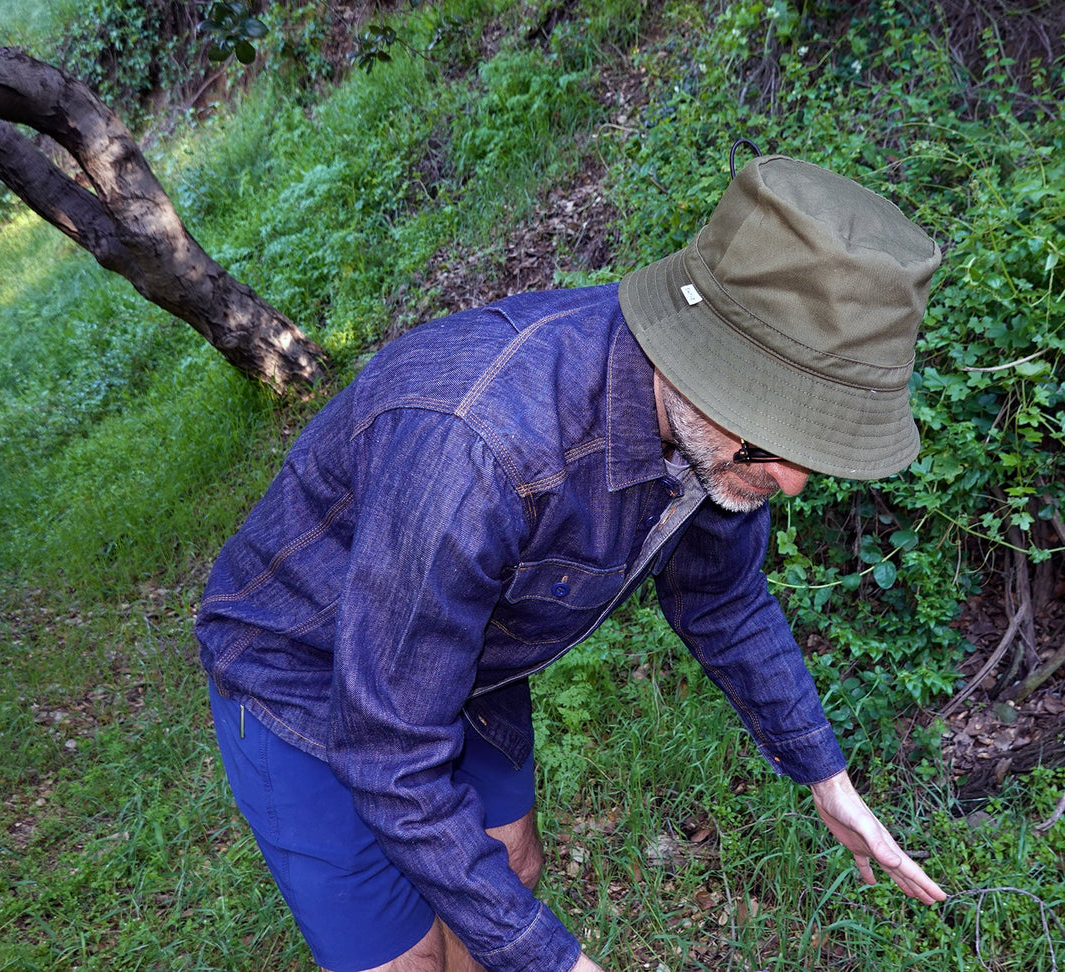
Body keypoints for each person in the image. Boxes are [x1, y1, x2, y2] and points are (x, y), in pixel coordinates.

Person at [196, 153, 946, 972]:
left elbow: (721, 600)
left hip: (473, 647)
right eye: (774, 436)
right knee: (411, 960)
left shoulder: (714, 435)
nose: (792, 481)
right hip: (305, 671)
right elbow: (390, 752)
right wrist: (554, 960)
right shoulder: (478, 449)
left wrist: (825, 777)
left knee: (509, 866)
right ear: (692, 358)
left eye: (815, 447)